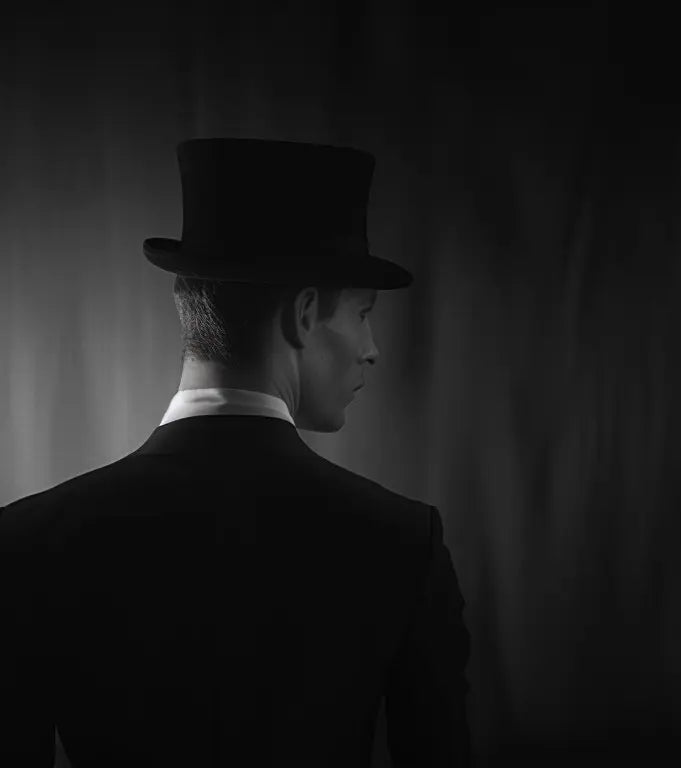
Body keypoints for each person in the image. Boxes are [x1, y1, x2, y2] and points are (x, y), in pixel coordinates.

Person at [0, 138, 471, 767]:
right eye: (363, 313)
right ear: (304, 313)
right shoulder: (403, 542)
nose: (373, 348)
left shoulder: (28, 540)